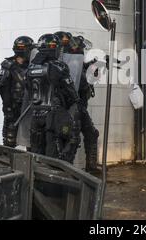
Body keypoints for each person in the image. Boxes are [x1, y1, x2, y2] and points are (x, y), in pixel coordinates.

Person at [26, 34, 81, 163]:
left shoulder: (31, 68)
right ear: (53, 48)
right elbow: (71, 92)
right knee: (55, 154)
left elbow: (28, 90)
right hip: (53, 115)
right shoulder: (58, 66)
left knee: (36, 155)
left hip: (35, 115)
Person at [55, 31, 100, 173]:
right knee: (70, 138)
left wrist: (91, 68)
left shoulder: (79, 65)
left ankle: (91, 166)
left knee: (92, 133)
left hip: (80, 106)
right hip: (68, 107)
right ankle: (65, 168)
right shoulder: (61, 66)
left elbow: (89, 83)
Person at [0, 36, 34, 148]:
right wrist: (8, 107)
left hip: (29, 106)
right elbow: (3, 88)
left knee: (31, 138)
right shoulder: (8, 65)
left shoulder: (33, 64)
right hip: (13, 106)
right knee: (10, 138)